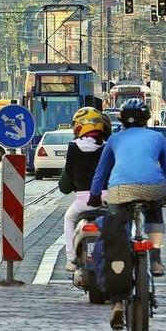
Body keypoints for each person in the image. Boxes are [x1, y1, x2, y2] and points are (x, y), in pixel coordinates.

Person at [88, 98, 166, 330]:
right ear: (146, 118)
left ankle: (117, 303)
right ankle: (156, 259)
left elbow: (102, 171)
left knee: (116, 234)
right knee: (155, 211)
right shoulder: (157, 137)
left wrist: (95, 194)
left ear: (121, 119)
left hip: (121, 190)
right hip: (152, 188)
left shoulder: (115, 139)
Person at [58, 107, 108, 272]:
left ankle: (71, 258)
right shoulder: (106, 146)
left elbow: (70, 174)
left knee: (69, 219)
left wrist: (74, 185)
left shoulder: (73, 146)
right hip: (106, 198)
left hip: (83, 201)